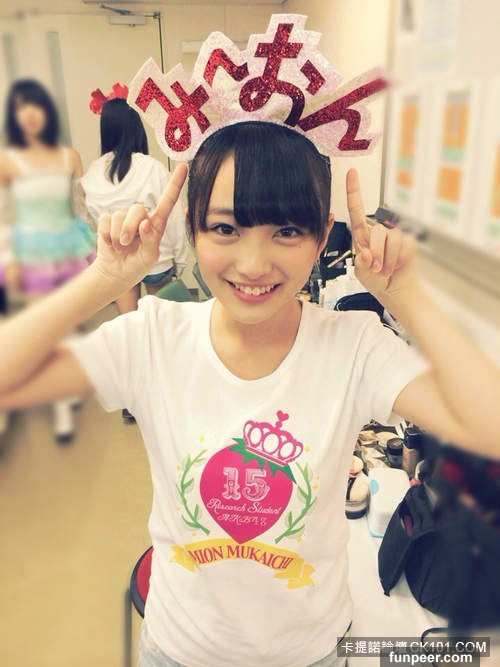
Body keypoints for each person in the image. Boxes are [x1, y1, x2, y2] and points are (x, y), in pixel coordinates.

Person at [0, 121, 498, 667]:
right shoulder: (152, 338)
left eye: (286, 230)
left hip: (309, 653)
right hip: (179, 651)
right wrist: (103, 278)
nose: (255, 265)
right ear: (191, 229)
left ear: (322, 235)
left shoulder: (355, 346)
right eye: (225, 228)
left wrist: (408, 295)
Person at [0, 78, 96, 442]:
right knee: (44, 328)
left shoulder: (69, 156)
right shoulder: (7, 161)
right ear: (13, 115)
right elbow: (5, 214)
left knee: (70, 322)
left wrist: (92, 247)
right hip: (32, 252)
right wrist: (8, 258)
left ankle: (68, 386)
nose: (29, 114)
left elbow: (82, 207)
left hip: (69, 246)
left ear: (46, 111)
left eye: (35, 105)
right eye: (20, 107)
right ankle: (61, 411)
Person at [81, 97, 188, 423]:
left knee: (130, 334)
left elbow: (94, 222)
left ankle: (132, 402)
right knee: (162, 332)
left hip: (120, 267)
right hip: (158, 261)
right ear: (135, 128)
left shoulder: (92, 176)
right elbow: (172, 218)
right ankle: (168, 395)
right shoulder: (151, 168)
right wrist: (181, 258)